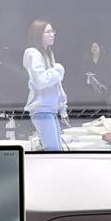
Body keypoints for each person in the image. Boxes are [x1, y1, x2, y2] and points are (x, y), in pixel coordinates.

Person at [23, 20, 69, 152]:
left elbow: (57, 84)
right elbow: (40, 80)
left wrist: (62, 109)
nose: (52, 34)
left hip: (50, 109)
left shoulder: (48, 53)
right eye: (48, 32)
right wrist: (58, 70)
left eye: (53, 31)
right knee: (53, 151)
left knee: (56, 150)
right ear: (38, 34)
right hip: (41, 109)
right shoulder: (33, 53)